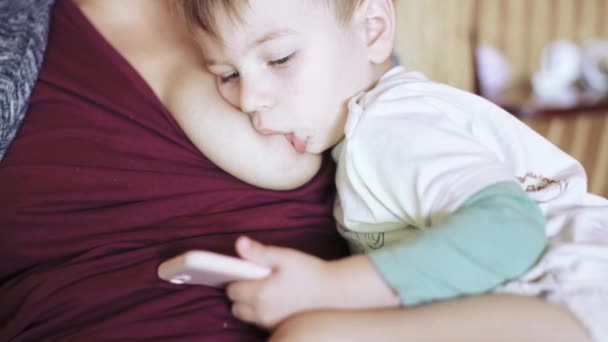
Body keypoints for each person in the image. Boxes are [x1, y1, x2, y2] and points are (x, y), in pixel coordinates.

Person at [176, 0, 608, 341]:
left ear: (373, 29)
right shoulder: (367, 130)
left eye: (280, 58)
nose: (250, 98)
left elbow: (510, 230)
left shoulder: (391, 123)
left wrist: (329, 287)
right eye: (228, 74)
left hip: (571, 296)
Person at [0, 0, 350, 340]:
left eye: (280, 59)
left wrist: (342, 293)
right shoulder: (14, 42)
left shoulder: (317, 16)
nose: (249, 99)